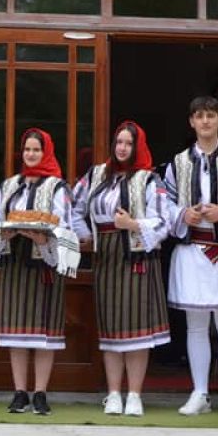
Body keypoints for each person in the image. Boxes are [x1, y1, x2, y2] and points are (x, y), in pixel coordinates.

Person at [72, 121, 170, 416]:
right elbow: (73, 208)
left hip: (137, 257)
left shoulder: (150, 179)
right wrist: (86, 236)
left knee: (137, 329)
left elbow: (163, 221)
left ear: (138, 147)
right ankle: (114, 393)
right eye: (119, 142)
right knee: (111, 327)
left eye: (129, 143)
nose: (123, 148)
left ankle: (135, 395)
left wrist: (133, 224)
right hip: (106, 255)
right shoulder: (96, 175)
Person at [0, 128, 79, 415]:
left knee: (44, 333)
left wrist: (44, 240)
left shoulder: (58, 187)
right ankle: (20, 391)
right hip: (15, 264)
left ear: (46, 152)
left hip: (46, 265)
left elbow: (66, 226)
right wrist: (4, 234)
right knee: (16, 331)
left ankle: (41, 393)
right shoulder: (10, 185)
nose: (31, 154)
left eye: (36, 150)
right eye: (27, 150)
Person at [163, 96, 218, 419]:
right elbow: (165, 204)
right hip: (191, 251)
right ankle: (199, 392)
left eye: (211, 116)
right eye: (199, 116)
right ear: (191, 122)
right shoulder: (177, 162)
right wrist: (182, 215)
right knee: (196, 326)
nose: (205, 122)